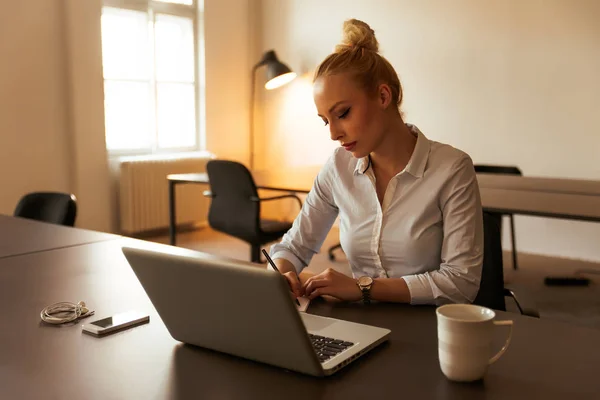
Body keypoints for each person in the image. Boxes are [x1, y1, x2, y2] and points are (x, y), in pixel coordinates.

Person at [269, 19, 483, 306]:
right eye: (326, 121)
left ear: (383, 96)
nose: (333, 133)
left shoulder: (452, 169)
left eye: (343, 113)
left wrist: (363, 288)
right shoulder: (338, 167)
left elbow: (460, 283)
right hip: (362, 323)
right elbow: (293, 246)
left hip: (429, 328)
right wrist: (284, 272)